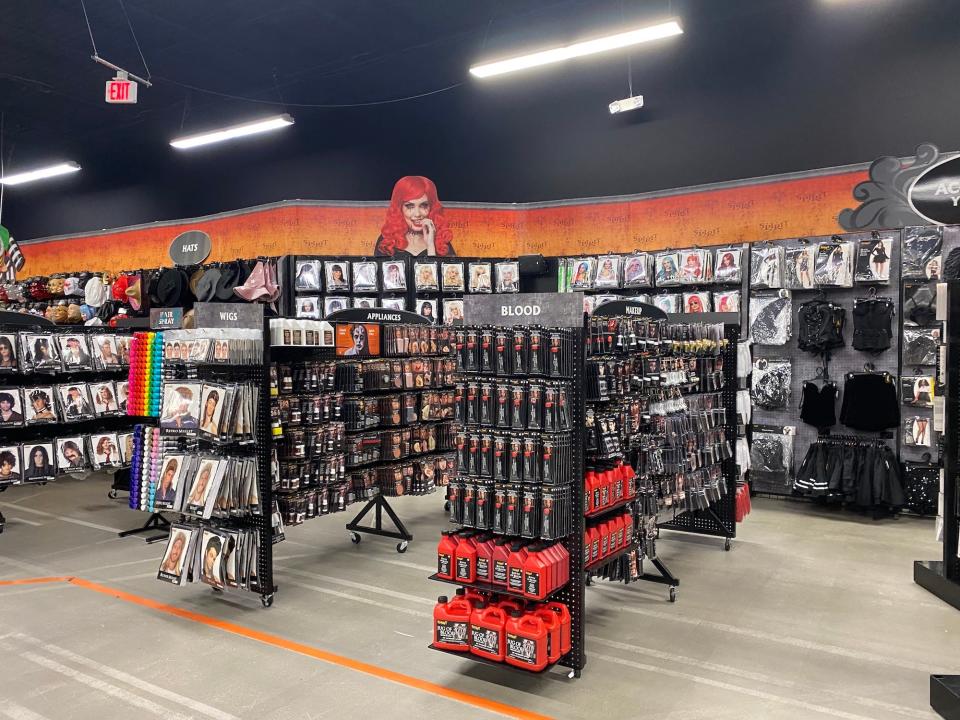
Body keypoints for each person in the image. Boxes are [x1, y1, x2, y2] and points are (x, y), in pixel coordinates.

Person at [375, 176, 455, 257]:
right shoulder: (387, 240)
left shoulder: (442, 239)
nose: (417, 214)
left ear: (432, 208)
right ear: (399, 208)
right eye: (410, 206)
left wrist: (430, 245)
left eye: (424, 205)